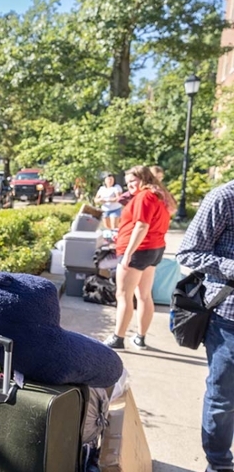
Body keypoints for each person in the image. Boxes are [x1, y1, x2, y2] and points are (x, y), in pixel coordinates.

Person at [176, 179, 234, 472]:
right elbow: (188, 253)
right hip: (228, 319)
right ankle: (219, 464)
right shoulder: (224, 198)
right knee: (224, 398)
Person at [104, 165, 171, 351]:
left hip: (139, 250)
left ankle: (118, 338)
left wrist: (128, 253)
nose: (130, 185)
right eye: (127, 183)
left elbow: (142, 226)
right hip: (153, 249)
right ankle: (140, 337)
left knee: (124, 295)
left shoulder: (144, 196)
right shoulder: (159, 196)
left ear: (144, 179)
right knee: (143, 295)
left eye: (133, 181)